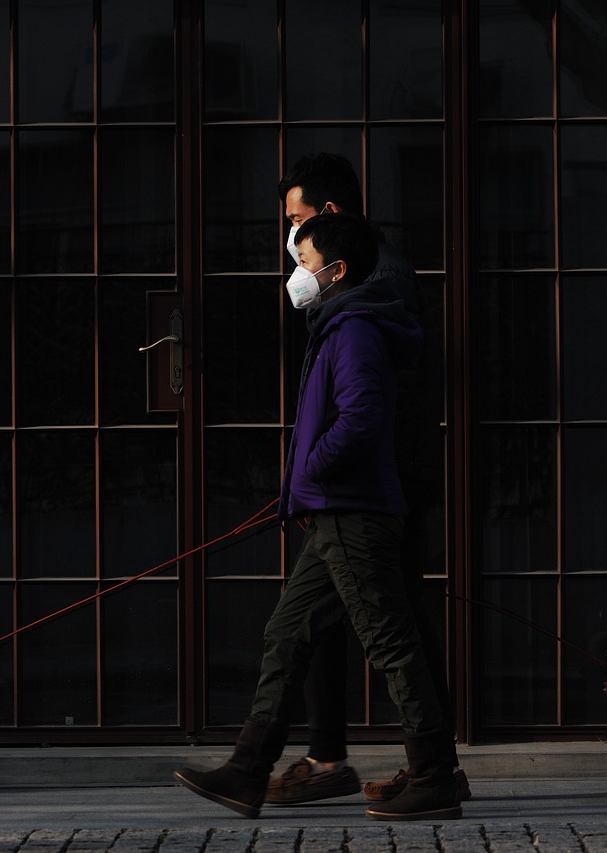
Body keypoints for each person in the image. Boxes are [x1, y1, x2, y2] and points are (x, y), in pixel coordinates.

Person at [174, 212, 464, 822]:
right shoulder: (336, 324)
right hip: (336, 510)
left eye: (304, 263)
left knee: (389, 641)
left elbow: (360, 419)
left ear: (337, 271)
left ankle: (436, 774)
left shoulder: (354, 328)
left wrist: (309, 474)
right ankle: (248, 771)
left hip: (354, 513)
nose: (297, 274)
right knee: (287, 633)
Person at [264, 153, 467, 807]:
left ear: (325, 218)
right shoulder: (359, 280)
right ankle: (349, 757)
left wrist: (315, 470)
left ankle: (431, 765)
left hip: (373, 490)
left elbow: (374, 406)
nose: (291, 241)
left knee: (392, 625)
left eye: (296, 223)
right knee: (334, 620)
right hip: (355, 487)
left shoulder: (367, 283)